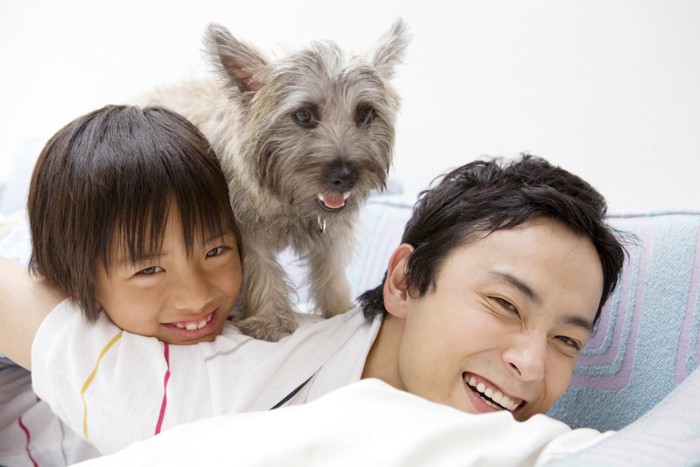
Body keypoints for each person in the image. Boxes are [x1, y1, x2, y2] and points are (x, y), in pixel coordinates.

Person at [0, 155, 626, 457]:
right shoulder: (218, 373)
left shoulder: (532, 447)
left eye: (567, 341)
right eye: (503, 304)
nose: (531, 365)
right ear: (404, 280)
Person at [0, 104, 243, 465]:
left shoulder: (257, 301)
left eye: (216, 250)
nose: (197, 297)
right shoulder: (32, 294)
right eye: (149, 271)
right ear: (74, 282)